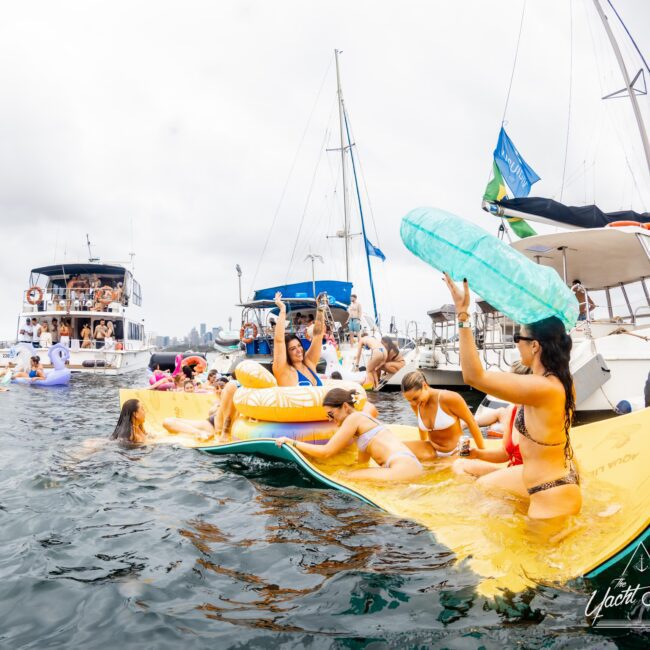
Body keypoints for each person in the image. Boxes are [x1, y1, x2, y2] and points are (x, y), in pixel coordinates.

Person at [443, 273, 581, 533]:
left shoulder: (543, 388)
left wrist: (463, 317)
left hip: (551, 496)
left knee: (538, 572)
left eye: (518, 339)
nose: (516, 345)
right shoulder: (558, 380)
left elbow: (474, 376)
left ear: (535, 346)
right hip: (545, 480)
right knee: (481, 487)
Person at [275, 388, 423, 481]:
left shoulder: (353, 419)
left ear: (345, 407)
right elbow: (363, 462)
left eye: (331, 414)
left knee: (342, 477)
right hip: (410, 466)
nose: (330, 420)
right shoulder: (362, 421)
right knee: (352, 474)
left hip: (401, 468)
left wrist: (291, 442)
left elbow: (326, 452)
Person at [401, 370, 484, 460]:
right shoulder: (416, 404)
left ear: (424, 386)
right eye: (409, 400)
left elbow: (471, 422)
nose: (413, 403)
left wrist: (482, 452)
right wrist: (422, 446)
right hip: (433, 449)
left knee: (441, 468)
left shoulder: (449, 398)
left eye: (415, 398)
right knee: (394, 449)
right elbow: (422, 428)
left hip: (458, 449)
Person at [453, 404, 523, 481]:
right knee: (460, 464)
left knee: (482, 482)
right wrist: (477, 454)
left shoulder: (536, 414)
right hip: (511, 472)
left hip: (528, 478)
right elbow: (505, 453)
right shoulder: (513, 410)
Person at [273, 292, 325, 387]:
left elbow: (318, 335)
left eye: (299, 346)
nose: (298, 350)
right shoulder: (283, 371)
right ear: (286, 353)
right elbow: (279, 341)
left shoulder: (309, 363)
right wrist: (282, 310)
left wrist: (320, 310)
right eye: (292, 349)